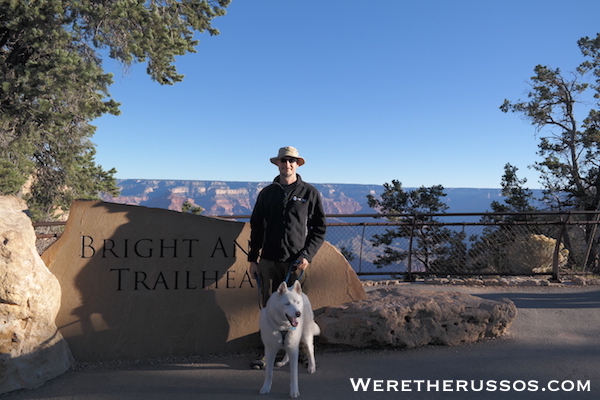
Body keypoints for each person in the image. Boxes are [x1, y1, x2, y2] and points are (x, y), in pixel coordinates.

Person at [248, 146, 327, 369]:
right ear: (278, 164)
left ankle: (301, 351)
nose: (287, 165)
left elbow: (319, 229)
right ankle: (268, 352)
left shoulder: (309, 193)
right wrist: (253, 259)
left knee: (296, 308)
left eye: (292, 161)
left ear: (298, 164)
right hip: (269, 261)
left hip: (295, 262)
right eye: (284, 161)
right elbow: (256, 228)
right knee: (268, 309)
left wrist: (307, 255)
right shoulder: (267, 193)